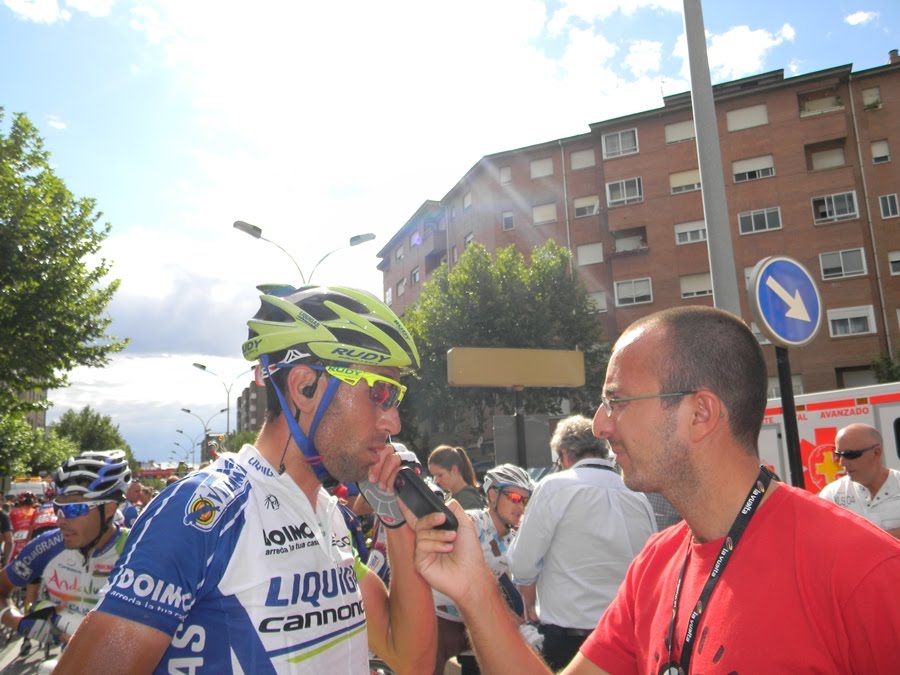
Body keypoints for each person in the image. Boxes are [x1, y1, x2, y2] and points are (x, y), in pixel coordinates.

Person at [411, 306, 900, 674]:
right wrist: (473, 589)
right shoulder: (655, 564)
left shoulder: (864, 571)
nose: (600, 425)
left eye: (616, 401)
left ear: (700, 414)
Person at [56, 284, 435, 674]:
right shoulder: (203, 511)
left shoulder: (329, 514)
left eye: (396, 398)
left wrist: (397, 520)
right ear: (305, 387)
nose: (394, 421)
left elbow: (409, 659)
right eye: (381, 393)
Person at [507, 415, 657, 670]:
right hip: (627, 641)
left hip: (567, 641)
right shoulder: (638, 498)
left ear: (565, 455)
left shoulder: (553, 488)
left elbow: (521, 566)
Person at [0, 450, 131, 646]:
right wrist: (19, 623)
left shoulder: (138, 551)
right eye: (57, 508)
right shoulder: (49, 545)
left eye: (74, 508)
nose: (60, 520)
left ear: (110, 508)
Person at [433, 464, 534, 675]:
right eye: (515, 498)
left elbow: (511, 585)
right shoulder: (471, 522)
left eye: (526, 500)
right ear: (492, 495)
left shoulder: (515, 537)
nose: (521, 506)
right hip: (442, 619)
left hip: (475, 623)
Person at [819, 422, 900, 538]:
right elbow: (823, 538)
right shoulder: (832, 494)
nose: (842, 462)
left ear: (876, 452)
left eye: (850, 454)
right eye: (838, 454)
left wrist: (859, 538)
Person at [9, 492, 37, 560]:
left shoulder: (13, 512)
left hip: (16, 543)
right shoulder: (36, 512)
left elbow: (10, 528)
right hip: (31, 542)